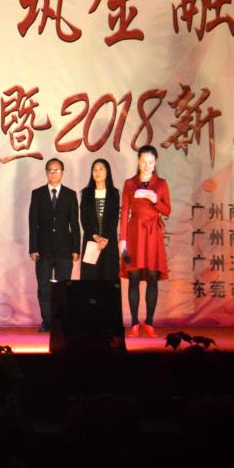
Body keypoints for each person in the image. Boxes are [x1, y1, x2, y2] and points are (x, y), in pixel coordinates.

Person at [119, 145, 171, 338]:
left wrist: (155, 199)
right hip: (134, 232)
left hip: (153, 234)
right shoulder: (130, 183)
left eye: (150, 162)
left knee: (152, 277)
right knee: (133, 277)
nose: (147, 165)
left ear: (155, 163)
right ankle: (134, 323)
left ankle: (149, 322)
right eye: (143, 161)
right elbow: (125, 212)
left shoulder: (161, 183)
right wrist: (122, 240)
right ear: (138, 162)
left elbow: (167, 210)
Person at [28, 157, 80, 333]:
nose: (53, 173)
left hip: (65, 249)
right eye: (50, 170)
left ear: (62, 173)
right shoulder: (37, 194)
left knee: (63, 288)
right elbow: (33, 222)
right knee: (44, 288)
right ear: (46, 173)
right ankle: (47, 322)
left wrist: (76, 248)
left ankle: (61, 322)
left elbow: (75, 224)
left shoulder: (70, 194)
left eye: (56, 170)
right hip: (43, 250)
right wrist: (33, 248)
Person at [79, 159, 121, 281]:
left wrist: (105, 238)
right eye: (94, 169)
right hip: (91, 241)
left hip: (109, 242)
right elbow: (84, 218)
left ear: (107, 172)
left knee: (109, 277)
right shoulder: (86, 193)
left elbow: (114, 219)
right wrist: (96, 236)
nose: (97, 172)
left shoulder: (114, 193)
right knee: (89, 278)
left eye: (101, 169)